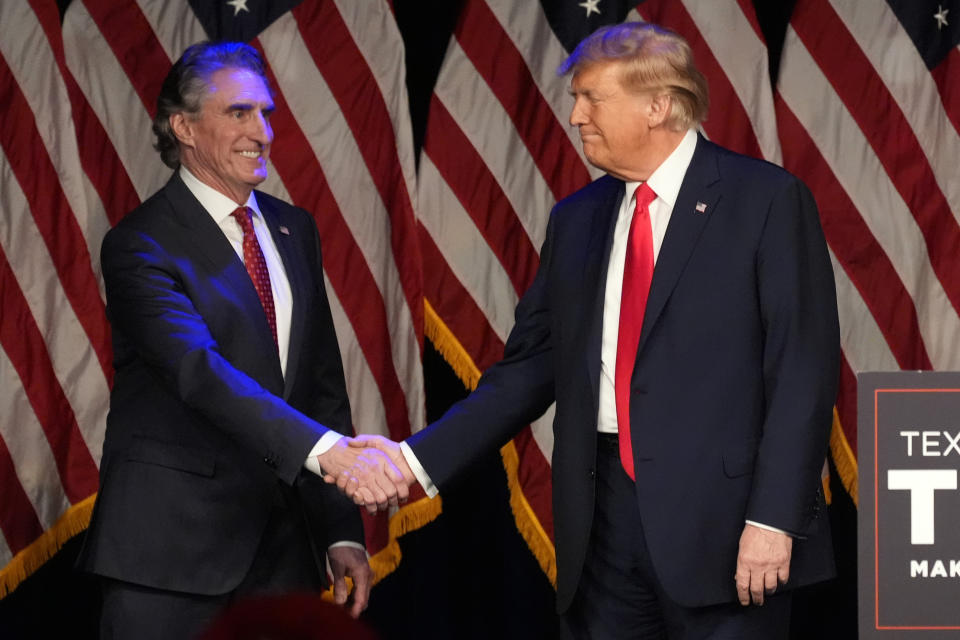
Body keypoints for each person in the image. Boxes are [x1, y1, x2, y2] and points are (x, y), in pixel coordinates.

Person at [341, 22, 839, 639]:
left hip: (727, 528)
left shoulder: (764, 199)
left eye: (590, 98)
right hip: (601, 532)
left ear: (658, 104)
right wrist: (415, 460)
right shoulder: (579, 218)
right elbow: (528, 369)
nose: (575, 116)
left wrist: (774, 520)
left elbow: (802, 372)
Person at [77, 42, 406, 639]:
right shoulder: (141, 244)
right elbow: (198, 372)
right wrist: (330, 453)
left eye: (266, 113)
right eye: (239, 113)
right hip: (170, 558)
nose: (262, 131)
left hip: (281, 555)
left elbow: (320, 386)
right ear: (184, 126)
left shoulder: (292, 227)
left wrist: (338, 531)